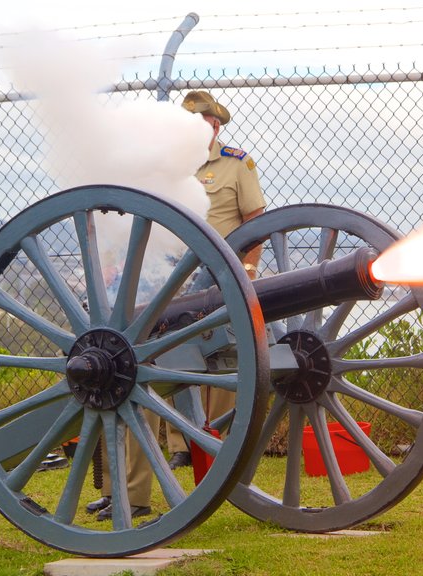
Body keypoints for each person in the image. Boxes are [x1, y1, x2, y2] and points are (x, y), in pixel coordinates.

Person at [89, 90, 266, 520]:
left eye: (201, 122)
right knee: (133, 379)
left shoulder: (235, 163)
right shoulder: (162, 166)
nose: (194, 128)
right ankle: (128, 493)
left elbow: (256, 220)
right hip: (163, 290)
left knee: (227, 382)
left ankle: (221, 473)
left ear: (214, 126)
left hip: (217, 288)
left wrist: (247, 269)